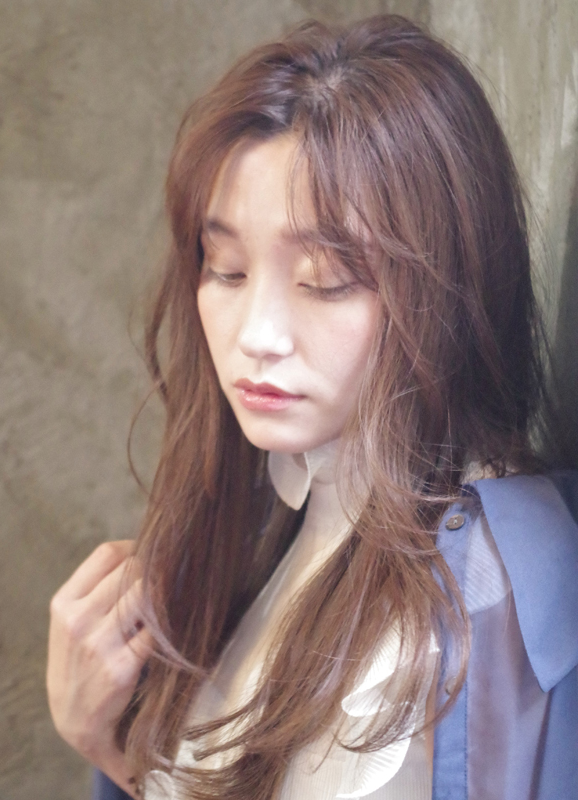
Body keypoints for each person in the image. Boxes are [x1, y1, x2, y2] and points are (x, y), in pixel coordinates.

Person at [46, 14, 578, 800]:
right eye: (225, 269)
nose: (255, 337)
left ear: (444, 286)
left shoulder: (496, 591)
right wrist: (109, 744)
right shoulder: (263, 511)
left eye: (326, 280)